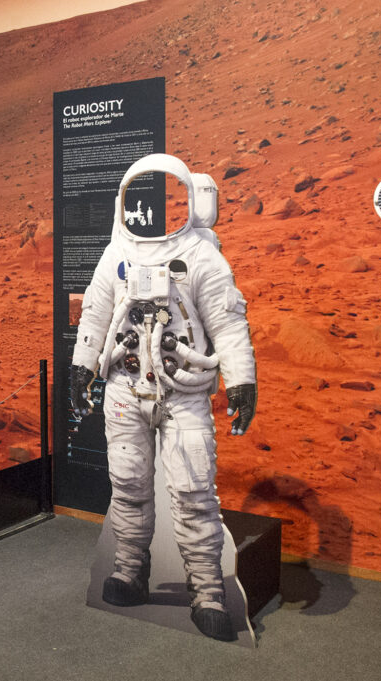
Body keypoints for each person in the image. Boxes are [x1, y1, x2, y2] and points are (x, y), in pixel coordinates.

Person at [69, 153, 257, 641]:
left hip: (183, 392)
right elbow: (95, 315)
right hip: (125, 387)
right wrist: (82, 366)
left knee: (193, 491)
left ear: (192, 200)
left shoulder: (200, 255)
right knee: (128, 484)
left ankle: (207, 591)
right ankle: (130, 570)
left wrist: (241, 378)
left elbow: (227, 322)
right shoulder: (117, 254)